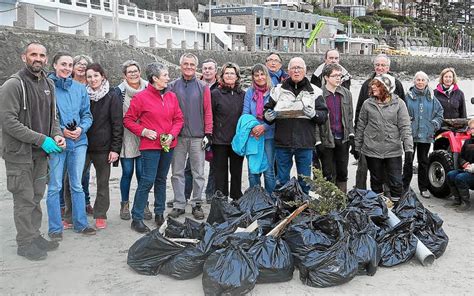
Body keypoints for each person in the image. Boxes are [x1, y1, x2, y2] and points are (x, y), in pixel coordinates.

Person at [0, 42, 66, 260]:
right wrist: (41, 139)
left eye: (42, 55)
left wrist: (56, 135)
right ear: (23, 57)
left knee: (36, 197)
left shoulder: (49, 83)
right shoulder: (13, 84)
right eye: (33, 54)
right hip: (19, 154)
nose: (38, 58)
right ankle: (24, 243)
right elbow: (9, 122)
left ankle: (34, 235)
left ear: (46, 59)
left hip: (41, 154)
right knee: (24, 198)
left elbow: (53, 118)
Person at [124, 62, 184, 232]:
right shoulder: (141, 98)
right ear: (155, 78)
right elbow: (128, 120)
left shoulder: (171, 96)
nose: (168, 78)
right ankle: (137, 218)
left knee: (161, 179)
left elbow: (178, 119)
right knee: (147, 180)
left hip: (168, 145)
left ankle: (159, 213)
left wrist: (172, 135)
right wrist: (143, 131)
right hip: (150, 146)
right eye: (165, 75)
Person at [46, 52, 96, 241]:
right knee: (55, 185)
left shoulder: (80, 88)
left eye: (69, 64)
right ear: (54, 65)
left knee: (77, 184)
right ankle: (55, 227)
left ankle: (81, 223)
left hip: (79, 141)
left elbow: (87, 114)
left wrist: (81, 129)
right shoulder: (47, 87)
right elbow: (48, 117)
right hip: (57, 143)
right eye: (63, 64)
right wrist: (60, 132)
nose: (66, 68)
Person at [263, 57, 328, 194]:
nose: (296, 71)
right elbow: (267, 110)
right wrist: (267, 117)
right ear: (288, 71)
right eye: (293, 68)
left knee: (305, 181)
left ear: (305, 71)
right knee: (282, 180)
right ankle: (283, 208)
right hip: (282, 143)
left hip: (305, 143)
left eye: (299, 68)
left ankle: (303, 208)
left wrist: (314, 114)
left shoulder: (315, 92)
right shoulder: (277, 90)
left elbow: (323, 116)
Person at [354, 74, 413, 202]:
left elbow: (405, 127)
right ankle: (379, 207)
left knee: (396, 182)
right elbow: (361, 125)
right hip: (372, 149)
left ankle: (397, 208)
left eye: (377, 84)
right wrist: (357, 146)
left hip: (393, 149)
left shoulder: (399, 103)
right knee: (376, 180)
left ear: (386, 88)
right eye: (373, 84)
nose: (373, 87)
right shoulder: (367, 103)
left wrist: (408, 149)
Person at [168, 53, 213, 220]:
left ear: (196, 67)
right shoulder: (172, 86)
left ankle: (196, 203)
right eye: (185, 64)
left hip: (197, 137)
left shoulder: (203, 87)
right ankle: (179, 203)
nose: (188, 67)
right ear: (181, 66)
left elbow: (208, 112)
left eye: (192, 65)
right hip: (178, 137)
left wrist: (208, 133)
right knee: (177, 172)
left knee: (198, 172)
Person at [354, 54, 405, 190]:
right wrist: (356, 138)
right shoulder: (366, 84)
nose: (380, 68)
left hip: (390, 140)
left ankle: (388, 197)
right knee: (364, 170)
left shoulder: (396, 84)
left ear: (388, 67)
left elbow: (403, 113)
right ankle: (362, 195)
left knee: (389, 174)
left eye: (383, 65)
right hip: (369, 139)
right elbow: (359, 111)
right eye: (377, 65)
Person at [85, 63, 123, 229]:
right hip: (84, 146)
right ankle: (74, 212)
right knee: (76, 181)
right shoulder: (82, 94)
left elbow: (117, 123)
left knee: (102, 182)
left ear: (103, 76)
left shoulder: (112, 95)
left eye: (96, 76)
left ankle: (100, 214)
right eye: (89, 76)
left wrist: (115, 149)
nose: (93, 79)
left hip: (104, 147)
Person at [181, 58, 219, 206]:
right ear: (201, 70)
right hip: (195, 132)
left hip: (215, 132)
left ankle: (209, 194)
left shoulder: (219, 87)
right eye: (205, 68)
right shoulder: (195, 86)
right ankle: (184, 194)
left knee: (213, 165)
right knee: (191, 166)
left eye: (210, 68)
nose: (207, 71)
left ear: (216, 71)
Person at [402, 71, 443, 198]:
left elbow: (440, 113)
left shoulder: (432, 97)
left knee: (423, 161)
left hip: (426, 135)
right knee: (408, 161)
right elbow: (400, 112)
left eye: (423, 80)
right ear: (414, 81)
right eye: (418, 80)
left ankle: (423, 188)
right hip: (410, 134)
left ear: (427, 82)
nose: (420, 82)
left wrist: (434, 124)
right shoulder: (407, 96)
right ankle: (405, 187)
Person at [62, 54, 94, 218]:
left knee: (83, 173)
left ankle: (85, 202)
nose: (81, 66)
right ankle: (64, 205)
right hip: (66, 134)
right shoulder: (64, 85)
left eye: (85, 64)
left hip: (85, 134)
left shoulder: (93, 84)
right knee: (65, 174)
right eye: (78, 64)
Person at [314, 63, 354, 194]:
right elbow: (315, 121)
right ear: (326, 77)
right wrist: (318, 141)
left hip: (343, 138)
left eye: (340, 75)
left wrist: (351, 136)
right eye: (335, 75)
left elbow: (349, 117)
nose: (338, 78)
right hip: (326, 139)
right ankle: (327, 201)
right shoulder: (318, 94)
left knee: (342, 172)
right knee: (327, 172)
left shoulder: (346, 93)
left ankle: (341, 198)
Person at [116, 60, 148, 221]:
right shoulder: (119, 91)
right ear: (124, 75)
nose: (133, 74)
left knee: (143, 173)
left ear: (140, 72)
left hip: (145, 136)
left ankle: (144, 203)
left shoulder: (150, 88)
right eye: (130, 72)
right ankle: (124, 203)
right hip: (126, 136)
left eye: (136, 71)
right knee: (127, 172)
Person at [211, 62, 245, 200]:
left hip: (237, 140)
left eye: (232, 73)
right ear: (222, 76)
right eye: (226, 73)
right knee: (220, 173)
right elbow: (210, 115)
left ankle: (236, 197)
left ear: (237, 77)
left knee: (237, 171)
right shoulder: (215, 94)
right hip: (220, 140)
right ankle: (221, 198)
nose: (229, 75)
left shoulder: (243, 94)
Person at [242, 63, 276, 194]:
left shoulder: (274, 91)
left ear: (266, 75)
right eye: (256, 75)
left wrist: (264, 127)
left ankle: (270, 200)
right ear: (253, 77)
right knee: (253, 171)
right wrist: (253, 128)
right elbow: (245, 113)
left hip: (269, 135)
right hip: (253, 135)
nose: (260, 77)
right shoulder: (249, 92)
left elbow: (276, 114)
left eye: (262, 74)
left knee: (268, 171)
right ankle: (255, 198)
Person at [445, 118, 474, 212]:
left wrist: (472, 167)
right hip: (467, 169)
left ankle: (466, 203)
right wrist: (464, 163)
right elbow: (461, 156)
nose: (470, 130)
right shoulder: (468, 141)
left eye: (472, 128)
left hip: (472, 172)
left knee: (460, 178)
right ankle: (457, 200)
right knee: (450, 175)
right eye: (470, 128)